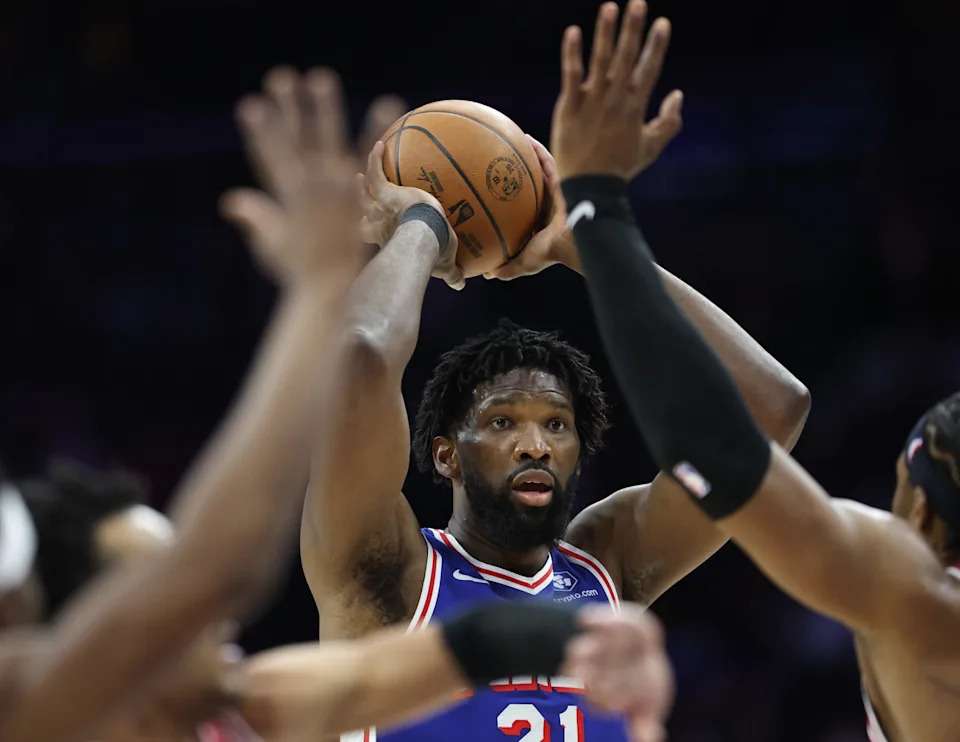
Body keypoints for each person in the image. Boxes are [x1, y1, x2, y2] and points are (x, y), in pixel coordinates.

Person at [292, 11, 810, 741]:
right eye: (503, 422)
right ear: (445, 453)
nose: (536, 444)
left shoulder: (609, 567)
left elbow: (772, 412)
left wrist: (592, 243)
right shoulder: (384, 573)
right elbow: (360, 361)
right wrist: (423, 226)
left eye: (556, 426)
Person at [549, 3, 960, 741]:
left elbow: (724, 450)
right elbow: (775, 410)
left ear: (924, 514)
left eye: (897, 498)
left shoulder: (923, 603)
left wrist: (594, 209)